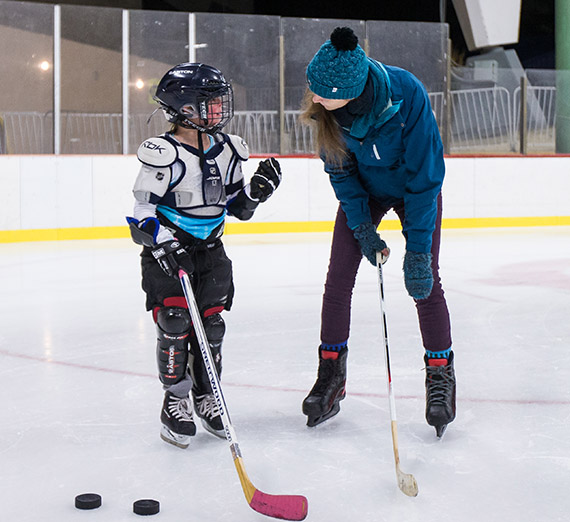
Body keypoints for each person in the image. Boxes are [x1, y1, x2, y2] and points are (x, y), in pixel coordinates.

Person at [300, 27, 455, 437]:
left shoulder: (406, 94)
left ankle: (440, 375)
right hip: (365, 194)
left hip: (413, 192)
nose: (313, 99)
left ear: (348, 89)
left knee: (424, 282)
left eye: (321, 92)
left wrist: (417, 252)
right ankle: (331, 374)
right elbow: (342, 175)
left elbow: (425, 179)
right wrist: (363, 228)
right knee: (338, 281)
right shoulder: (327, 112)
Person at [127, 63, 282, 448]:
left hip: (212, 251)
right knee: (175, 321)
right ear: (184, 109)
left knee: (212, 327)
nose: (218, 110)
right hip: (170, 253)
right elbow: (142, 213)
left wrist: (257, 193)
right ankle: (175, 399)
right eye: (209, 103)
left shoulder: (228, 149)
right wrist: (162, 243)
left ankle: (206, 395)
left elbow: (235, 207)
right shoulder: (163, 154)